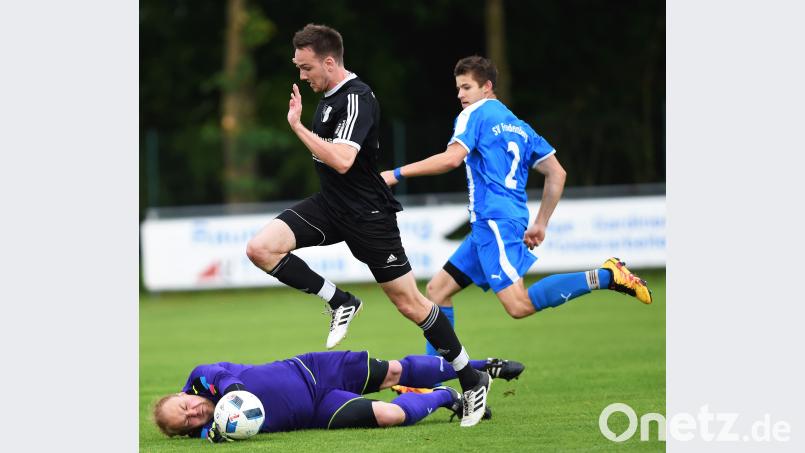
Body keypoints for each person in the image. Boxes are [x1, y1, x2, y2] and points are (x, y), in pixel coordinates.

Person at [245, 24, 490, 426]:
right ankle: (340, 300)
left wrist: (298, 128)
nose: (302, 76)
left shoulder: (358, 97)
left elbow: (342, 160)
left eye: (306, 68)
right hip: (330, 206)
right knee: (260, 248)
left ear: (329, 62)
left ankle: (471, 377)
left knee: (411, 304)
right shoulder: (326, 99)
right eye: (299, 68)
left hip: (368, 215)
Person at [381, 56, 652, 358]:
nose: (460, 95)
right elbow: (557, 172)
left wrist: (396, 173)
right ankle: (434, 376)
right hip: (497, 223)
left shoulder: (473, 114)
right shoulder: (519, 126)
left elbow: (452, 159)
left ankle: (607, 275)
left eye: (466, 87)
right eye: (458, 88)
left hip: (494, 222)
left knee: (518, 305)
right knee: (437, 290)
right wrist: (541, 223)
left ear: (487, 87)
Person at [153, 351, 524, 441]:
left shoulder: (200, 379)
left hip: (313, 369)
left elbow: (221, 376)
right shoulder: (213, 431)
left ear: (180, 393)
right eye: (186, 421)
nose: (193, 412)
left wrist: (234, 395)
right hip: (319, 410)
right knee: (390, 416)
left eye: (184, 406)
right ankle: (446, 396)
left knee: (394, 372)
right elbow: (207, 434)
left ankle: (479, 366)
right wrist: (212, 432)